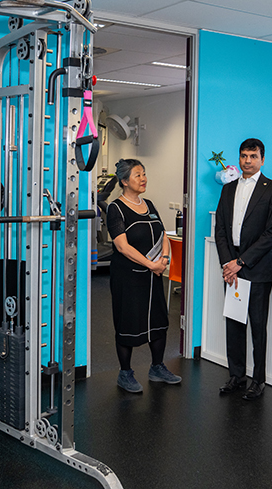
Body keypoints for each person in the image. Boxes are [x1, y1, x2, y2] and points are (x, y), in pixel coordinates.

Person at [214, 138, 272, 400]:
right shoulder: (229, 188)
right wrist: (227, 263)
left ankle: (259, 380)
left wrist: (240, 262)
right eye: (243, 156)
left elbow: (271, 233)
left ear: (262, 159)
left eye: (253, 156)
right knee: (233, 322)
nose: (247, 161)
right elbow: (220, 228)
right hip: (231, 266)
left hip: (256, 267)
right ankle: (236, 376)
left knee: (257, 325)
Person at [107, 158, 182, 393]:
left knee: (159, 321)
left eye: (144, 174)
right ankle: (125, 373)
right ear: (124, 181)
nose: (143, 179)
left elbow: (163, 235)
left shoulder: (149, 204)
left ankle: (157, 367)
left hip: (153, 274)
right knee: (128, 322)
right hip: (128, 277)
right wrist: (152, 264)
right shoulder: (115, 208)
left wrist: (165, 260)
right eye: (138, 175)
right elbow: (122, 247)